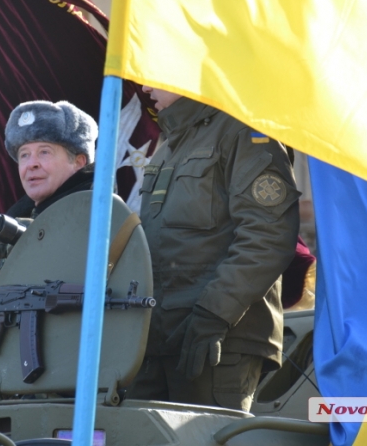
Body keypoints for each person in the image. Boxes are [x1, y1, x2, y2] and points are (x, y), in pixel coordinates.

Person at [126, 86, 300, 412]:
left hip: (220, 339)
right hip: (158, 340)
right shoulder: (168, 147)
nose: (144, 86)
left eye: (151, 73)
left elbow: (267, 237)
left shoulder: (244, 132)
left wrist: (212, 316)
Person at [0, 100, 97, 280]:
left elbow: (57, 240)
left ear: (78, 162)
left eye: (44, 152)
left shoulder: (99, 212)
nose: (31, 164)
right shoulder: (24, 214)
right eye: (24, 155)